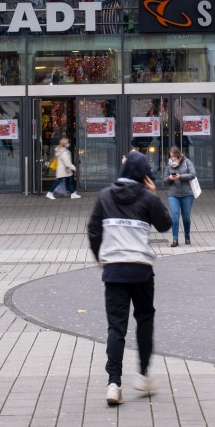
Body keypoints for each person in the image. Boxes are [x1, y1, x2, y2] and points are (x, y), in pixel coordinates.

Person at [86, 151, 172, 407]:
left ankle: (114, 384)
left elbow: (93, 230)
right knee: (144, 319)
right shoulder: (147, 198)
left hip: (114, 270)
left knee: (116, 327)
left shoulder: (104, 196)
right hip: (141, 270)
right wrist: (155, 195)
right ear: (143, 175)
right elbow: (165, 225)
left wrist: (100, 257)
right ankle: (143, 375)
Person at [163, 146, 197, 247]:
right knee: (174, 216)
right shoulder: (168, 166)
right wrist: (169, 178)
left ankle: (187, 235)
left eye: (174, 156)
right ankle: (175, 239)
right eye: (171, 156)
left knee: (186, 217)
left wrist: (180, 177)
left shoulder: (187, 162)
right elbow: (164, 181)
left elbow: (193, 174)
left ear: (179, 155)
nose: (172, 158)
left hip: (187, 194)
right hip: (173, 194)